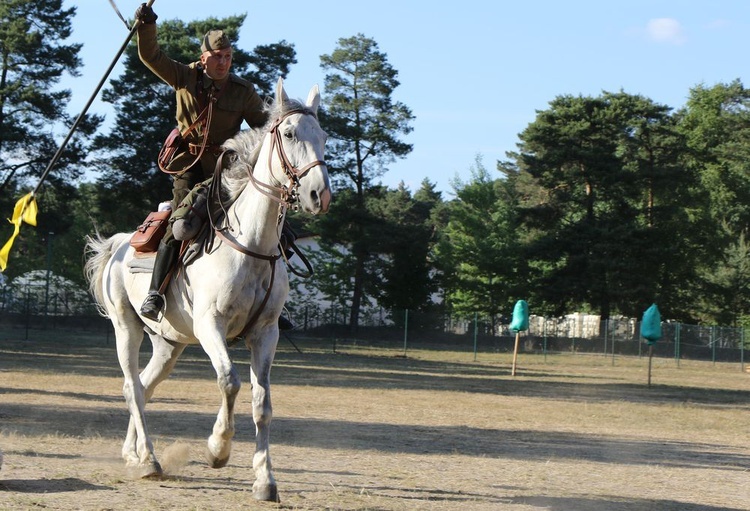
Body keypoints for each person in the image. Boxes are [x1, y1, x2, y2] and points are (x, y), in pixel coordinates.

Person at [134, 4, 293, 329]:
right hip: (189, 167)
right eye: (217, 57)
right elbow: (151, 56)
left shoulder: (243, 91)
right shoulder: (184, 76)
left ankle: (275, 303)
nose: (223, 63)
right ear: (204, 57)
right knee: (180, 225)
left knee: (278, 231)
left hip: (228, 171)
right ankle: (156, 293)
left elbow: (266, 129)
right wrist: (147, 25)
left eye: (228, 57)